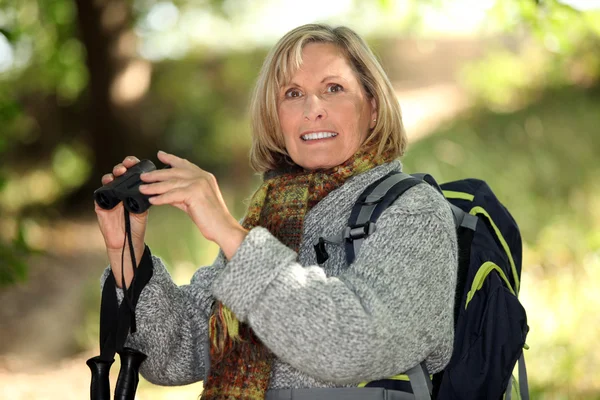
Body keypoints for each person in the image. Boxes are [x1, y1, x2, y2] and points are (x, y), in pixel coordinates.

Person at [95, 23, 458, 400]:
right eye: (293, 93)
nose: (312, 109)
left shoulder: (415, 212)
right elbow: (176, 356)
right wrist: (127, 253)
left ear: (373, 106)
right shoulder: (270, 217)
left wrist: (230, 234)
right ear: (275, 117)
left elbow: (354, 346)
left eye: (333, 89)